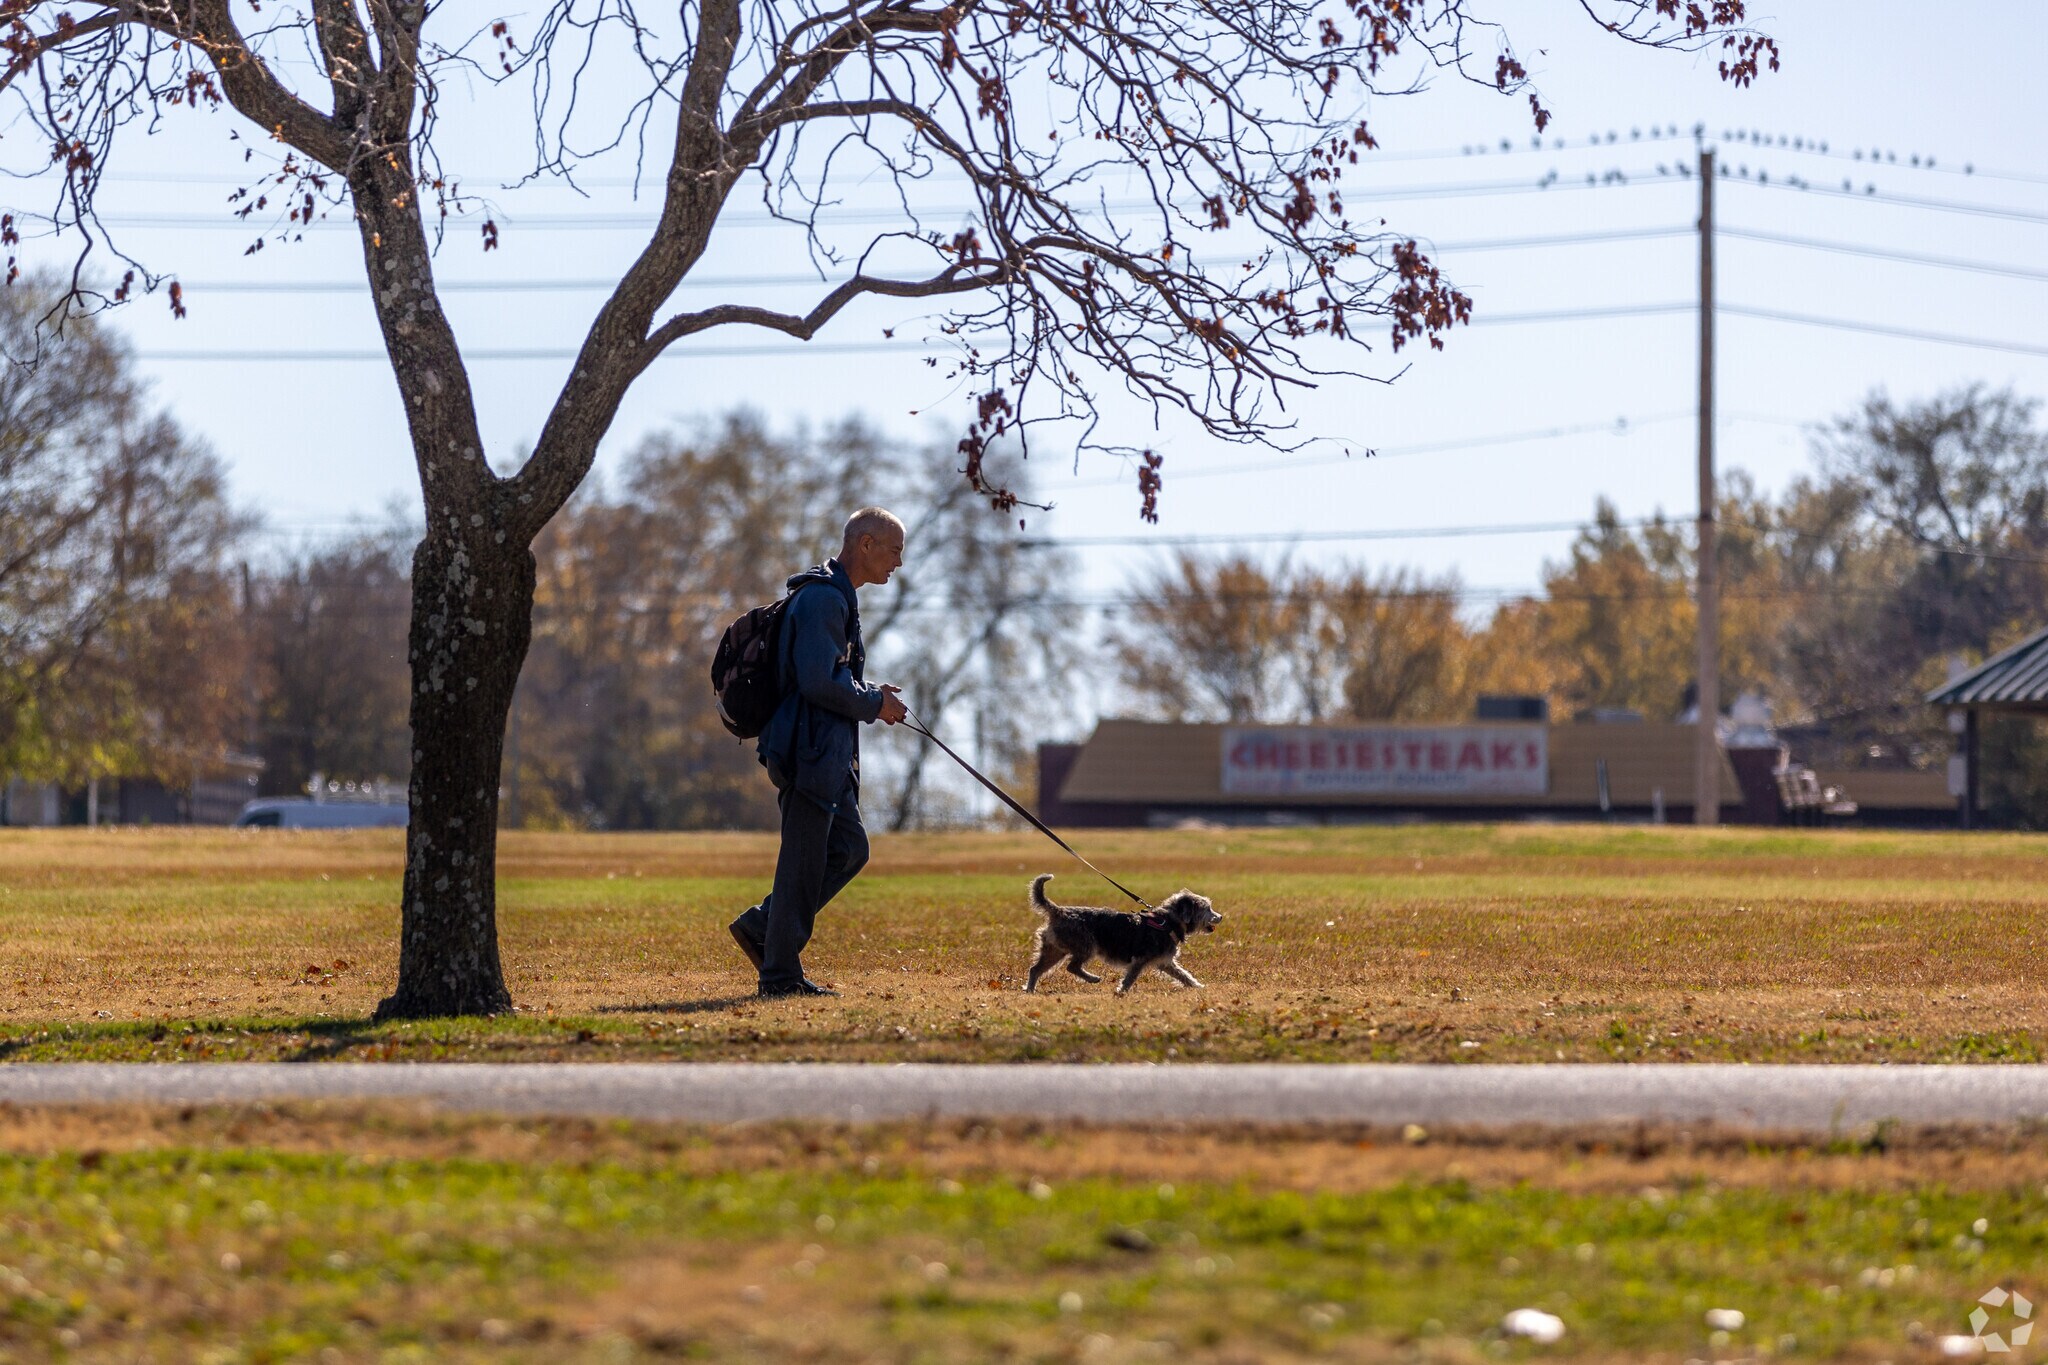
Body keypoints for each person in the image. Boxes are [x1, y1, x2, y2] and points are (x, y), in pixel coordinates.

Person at [728, 508, 910, 997]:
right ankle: (781, 975)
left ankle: (765, 930)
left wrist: (871, 692)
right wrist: (875, 703)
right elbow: (815, 682)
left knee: (848, 849)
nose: (898, 562)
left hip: (824, 753)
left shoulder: (834, 598)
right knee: (803, 863)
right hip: (808, 752)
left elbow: (829, 675)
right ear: (866, 544)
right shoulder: (825, 600)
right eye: (894, 550)